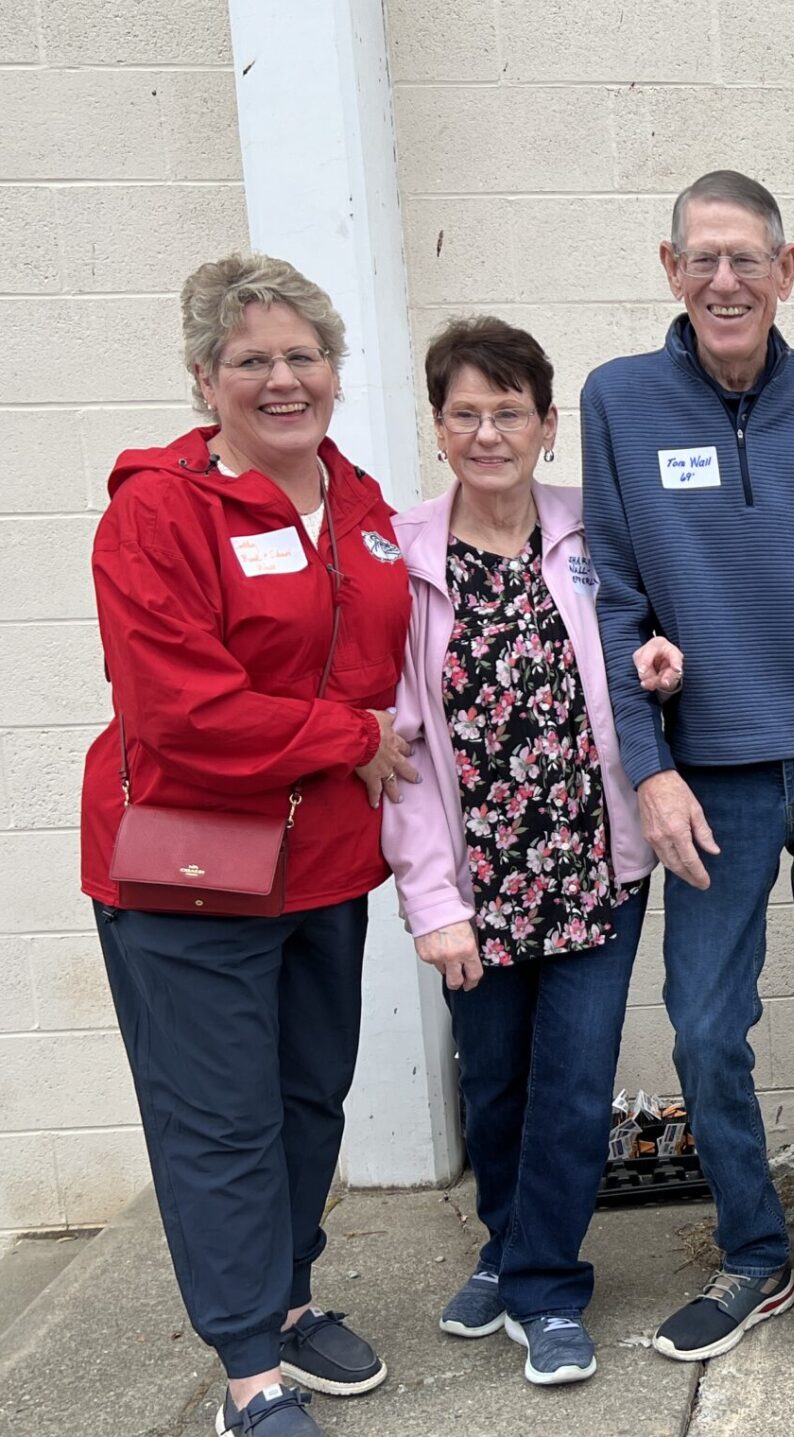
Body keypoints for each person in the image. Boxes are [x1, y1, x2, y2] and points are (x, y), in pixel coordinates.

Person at [580, 169, 794, 1377]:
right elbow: (615, 596)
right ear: (668, 268)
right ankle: (751, 1253)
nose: (724, 281)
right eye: (702, 258)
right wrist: (648, 769)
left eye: (747, 259)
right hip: (709, 779)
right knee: (702, 1026)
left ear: (788, 270)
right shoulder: (619, 401)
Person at [81, 253, 416, 1437]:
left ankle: (281, 1299)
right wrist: (350, 735)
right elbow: (184, 709)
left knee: (305, 1100)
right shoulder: (156, 514)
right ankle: (245, 1376)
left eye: (302, 357)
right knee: (219, 1119)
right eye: (252, 361)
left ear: (332, 370)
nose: (283, 380)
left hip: (321, 864)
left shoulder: (362, 503)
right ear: (204, 380)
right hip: (188, 873)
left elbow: (390, 665)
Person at [382, 317, 683, 1386]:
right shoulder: (403, 553)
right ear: (438, 426)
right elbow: (399, 751)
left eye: (509, 411)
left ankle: (546, 1287)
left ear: (548, 425)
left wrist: (652, 665)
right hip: (480, 877)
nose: (488, 431)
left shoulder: (596, 534)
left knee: (571, 1082)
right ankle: (508, 1248)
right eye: (465, 412)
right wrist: (430, 901)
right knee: (497, 1083)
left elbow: (644, 638)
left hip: (595, 865)